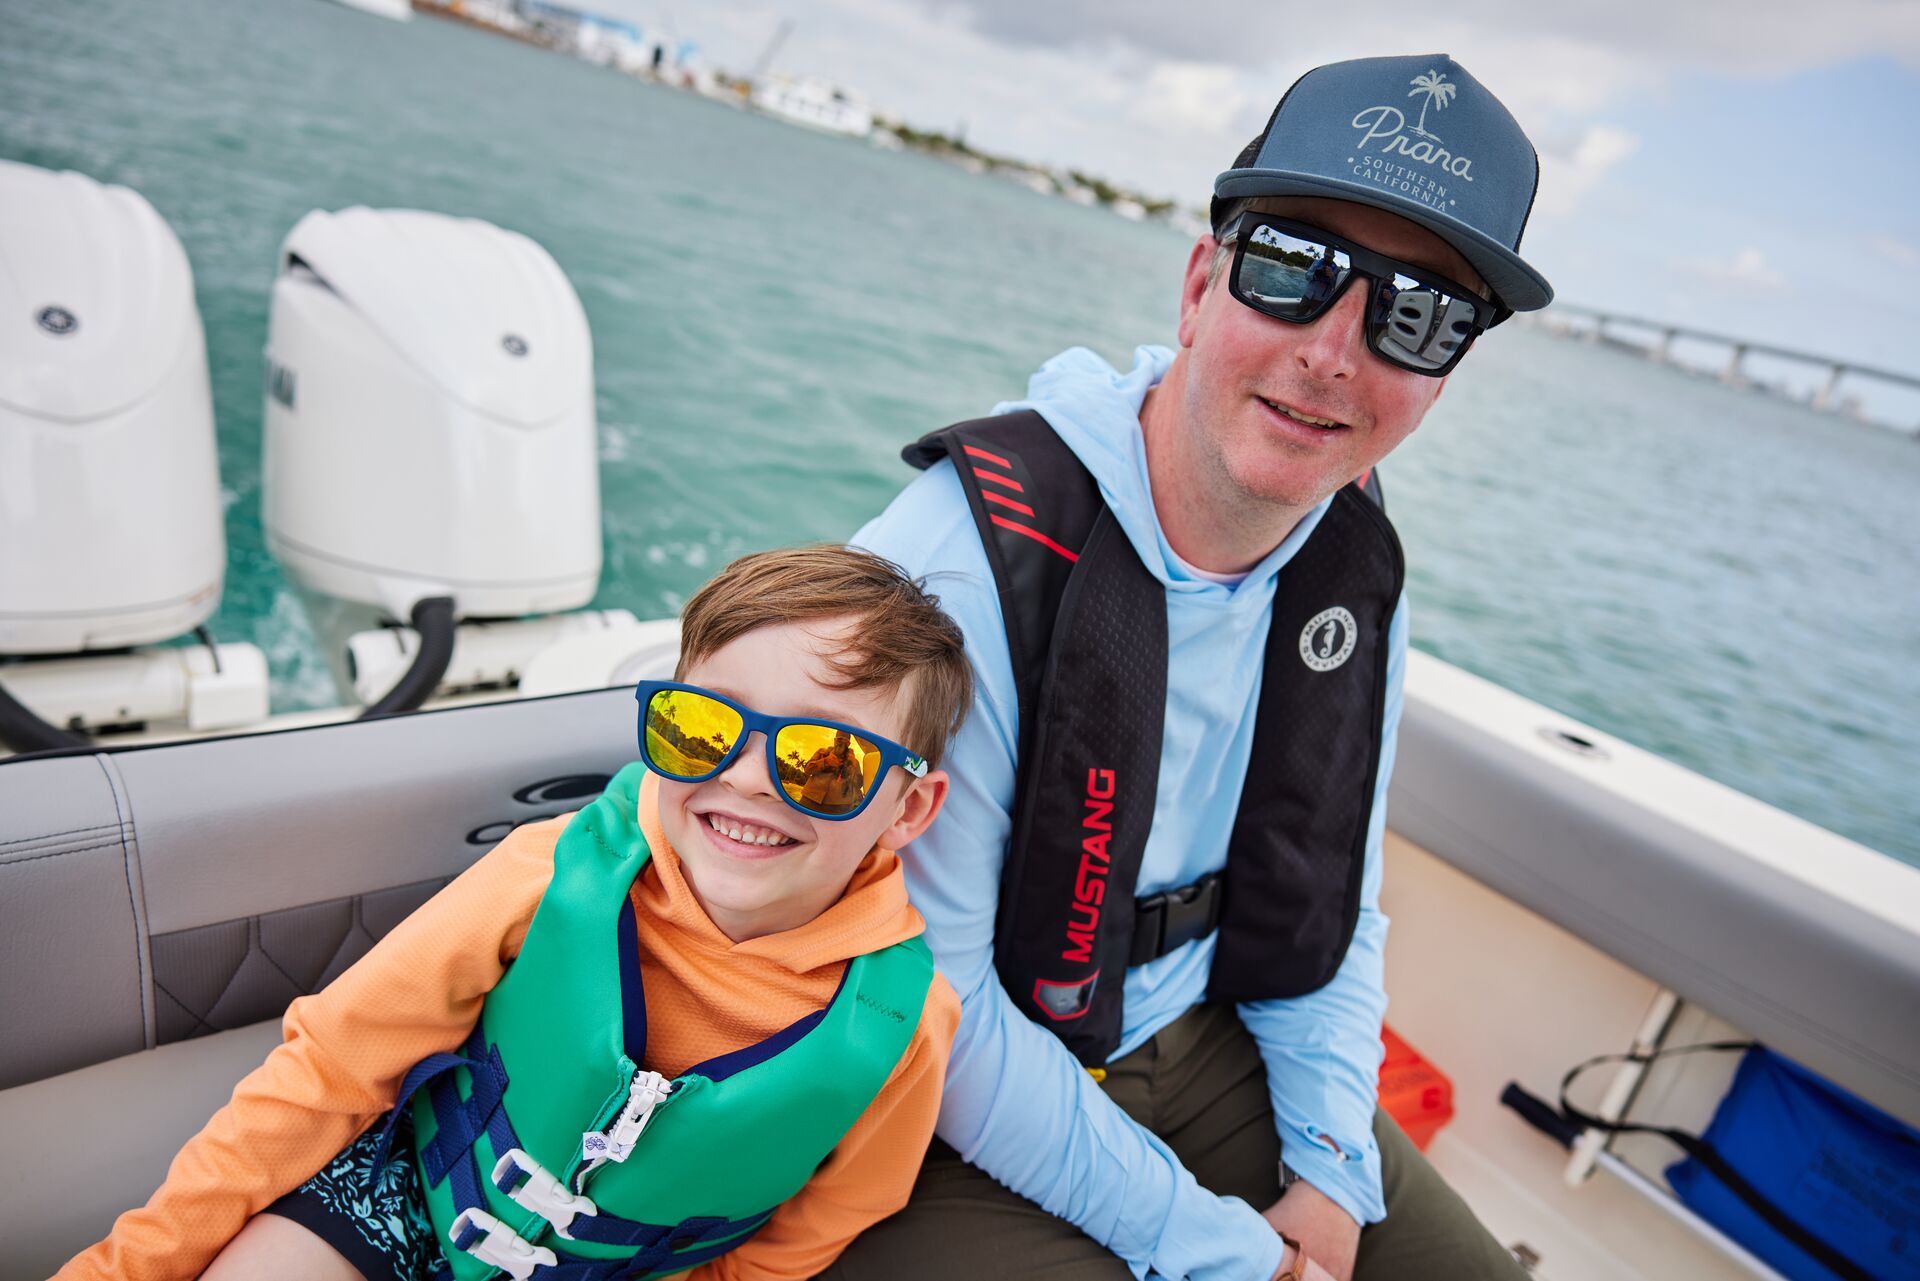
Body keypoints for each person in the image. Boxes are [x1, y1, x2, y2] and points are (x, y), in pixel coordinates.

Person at [831, 54, 1554, 1281]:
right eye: (1292, 270)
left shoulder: (1352, 562)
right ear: (1201, 283)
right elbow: (931, 1007)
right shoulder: (961, 562)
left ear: (1442, 377)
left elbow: (1337, 904)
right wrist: (1230, 1251)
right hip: (941, 1091)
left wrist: (1330, 1172)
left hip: (1200, 1036)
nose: (1334, 353)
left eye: (1416, 315)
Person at [60, 546, 975, 1281]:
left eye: (823, 762)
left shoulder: (902, 1027)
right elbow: (331, 1069)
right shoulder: (552, 873)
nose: (742, 777)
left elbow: (820, 1226)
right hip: (401, 1195)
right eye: (702, 727)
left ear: (907, 811)